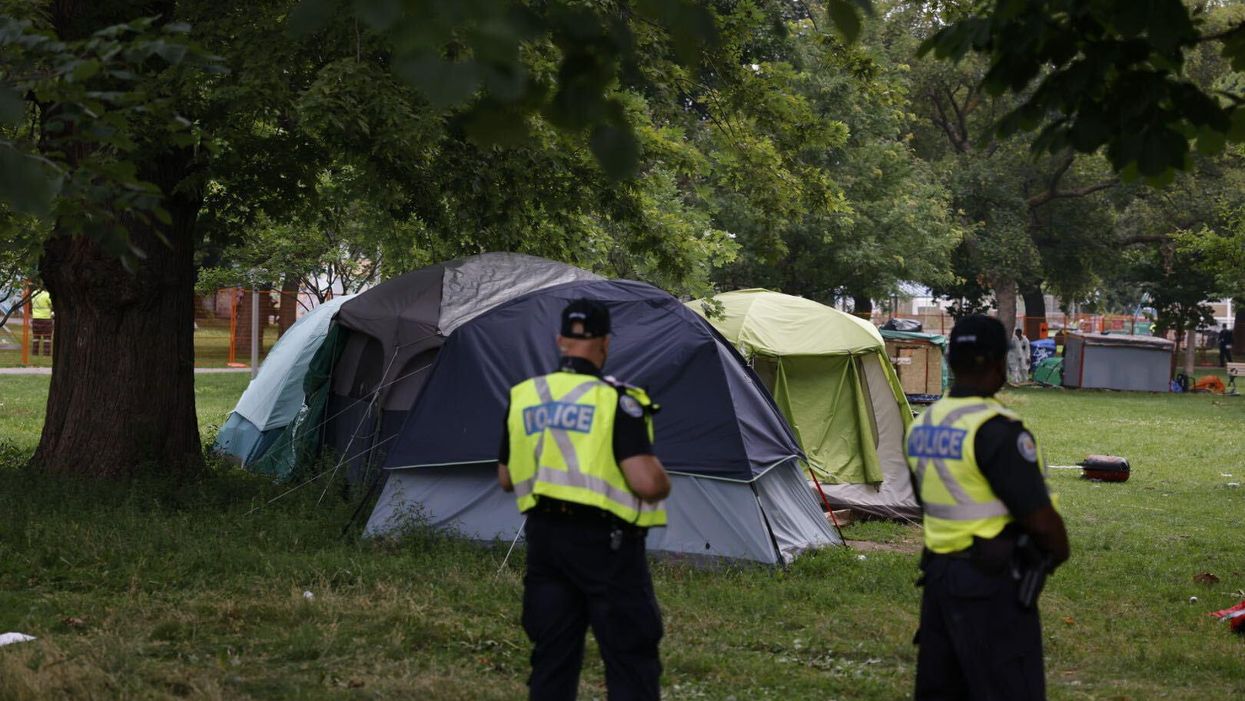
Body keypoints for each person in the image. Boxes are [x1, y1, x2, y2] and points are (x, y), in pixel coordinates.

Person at [498, 299, 672, 701]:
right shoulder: (618, 401)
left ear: (560, 339)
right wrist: (663, 481)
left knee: (552, 655)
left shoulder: (526, 396)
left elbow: (506, 478)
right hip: (606, 544)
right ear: (605, 343)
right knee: (629, 657)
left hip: (545, 539)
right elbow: (646, 483)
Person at [905, 315, 1070, 700]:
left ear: (951, 361)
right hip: (991, 584)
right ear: (999, 363)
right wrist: (1057, 552)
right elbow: (1041, 521)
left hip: (939, 582)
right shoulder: (997, 430)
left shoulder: (923, 425)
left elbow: (926, 498)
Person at [30, 289, 53, 357]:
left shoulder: (33, 293)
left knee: (36, 337)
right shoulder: (47, 295)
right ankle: (46, 353)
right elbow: (51, 304)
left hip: (35, 318)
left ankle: (35, 353)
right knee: (47, 337)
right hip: (46, 318)